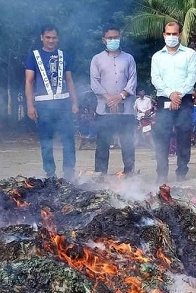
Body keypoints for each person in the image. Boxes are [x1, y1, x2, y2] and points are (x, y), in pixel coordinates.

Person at [25, 24, 79, 179]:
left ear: (58, 38)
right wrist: (30, 105)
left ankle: (69, 174)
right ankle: (50, 174)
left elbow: (69, 81)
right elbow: (29, 81)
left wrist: (75, 102)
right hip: (43, 107)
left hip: (63, 105)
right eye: (47, 37)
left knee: (68, 140)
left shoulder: (64, 56)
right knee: (46, 142)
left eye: (54, 37)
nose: (51, 40)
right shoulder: (33, 56)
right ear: (41, 37)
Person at [151, 21, 196, 183]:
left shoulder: (190, 54)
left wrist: (178, 95)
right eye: (168, 34)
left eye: (174, 34)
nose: (171, 37)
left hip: (184, 100)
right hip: (164, 99)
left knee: (184, 136)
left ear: (179, 35)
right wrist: (170, 94)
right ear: (164, 35)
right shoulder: (157, 57)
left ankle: (181, 173)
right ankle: (161, 174)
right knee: (162, 136)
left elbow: (192, 76)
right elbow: (156, 79)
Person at [90, 24, 137, 177]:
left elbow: (132, 81)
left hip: (126, 110)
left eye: (116, 37)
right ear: (104, 40)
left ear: (120, 38)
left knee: (128, 144)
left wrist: (120, 97)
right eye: (110, 38)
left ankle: (129, 174)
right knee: (102, 145)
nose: (113, 40)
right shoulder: (97, 59)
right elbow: (95, 83)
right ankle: (100, 176)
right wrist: (109, 99)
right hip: (104, 110)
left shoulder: (129, 59)